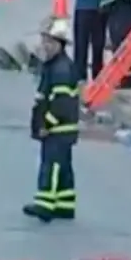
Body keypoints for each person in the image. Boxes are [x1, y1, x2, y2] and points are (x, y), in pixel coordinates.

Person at [22, 17, 80, 222]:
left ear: (59, 44)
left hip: (58, 128)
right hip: (62, 128)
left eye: (48, 41)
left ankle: (45, 205)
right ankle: (65, 205)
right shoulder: (56, 65)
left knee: (51, 166)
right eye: (43, 40)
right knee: (63, 167)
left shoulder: (61, 69)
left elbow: (62, 103)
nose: (44, 45)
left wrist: (47, 123)